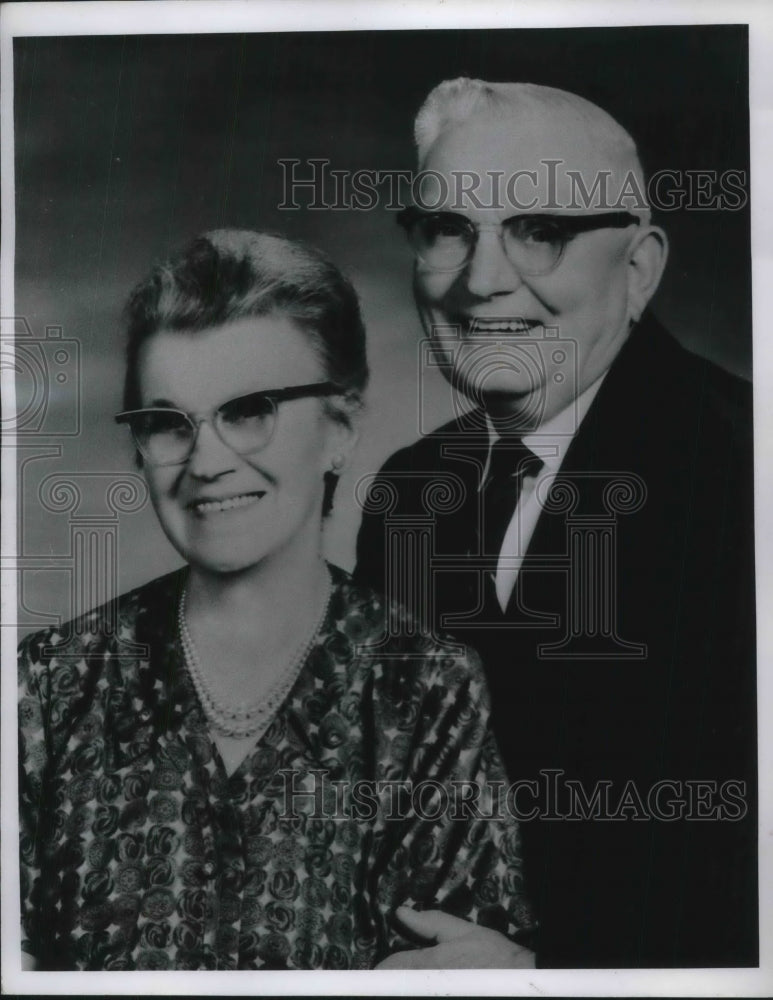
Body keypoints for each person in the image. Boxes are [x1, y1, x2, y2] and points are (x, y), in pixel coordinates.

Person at [17, 229, 536, 971]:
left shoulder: (424, 690)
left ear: (339, 430)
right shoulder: (47, 685)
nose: (205, 461)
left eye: (249, 409)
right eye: (168, 423)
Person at [356, 79, 757, 967]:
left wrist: (549, 978)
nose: (482, 279)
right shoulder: (411, 492)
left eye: (539, 229)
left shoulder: (747, 474)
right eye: (447, 229)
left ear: (640, 266)